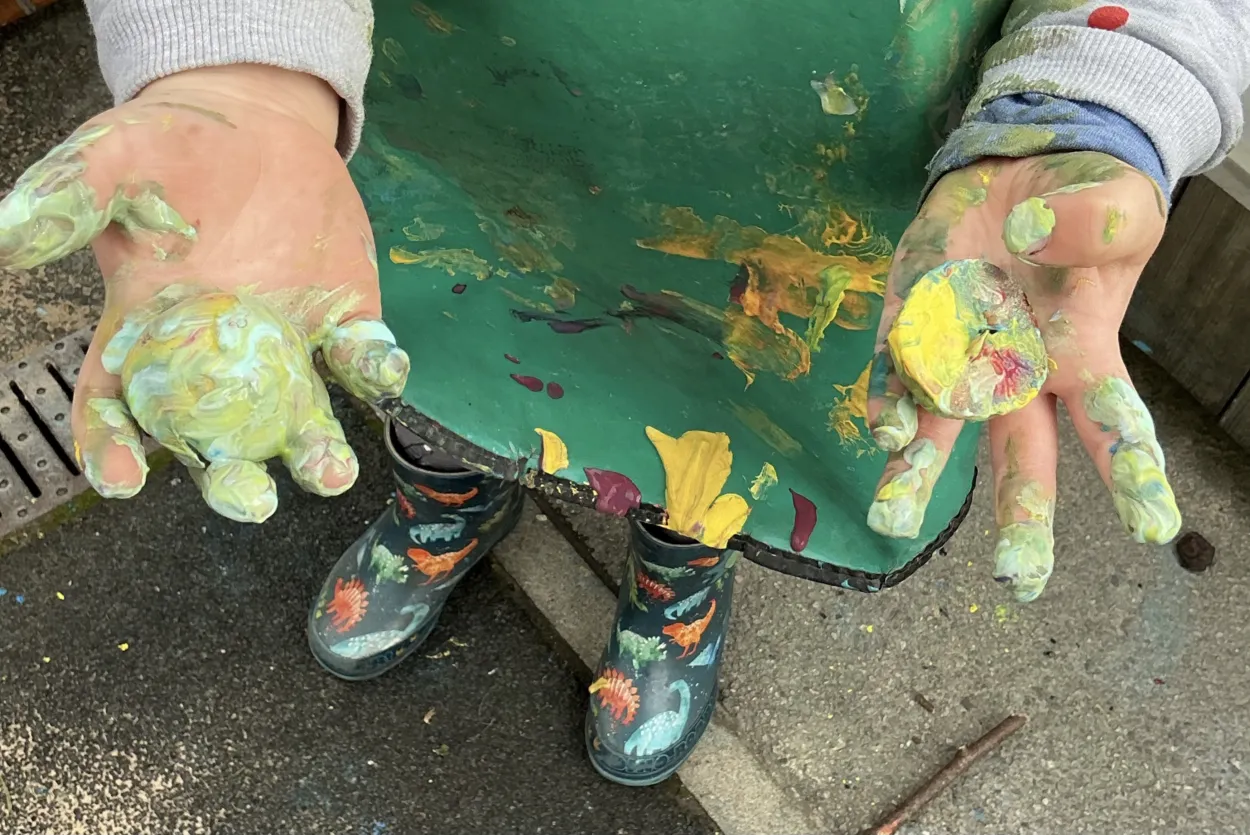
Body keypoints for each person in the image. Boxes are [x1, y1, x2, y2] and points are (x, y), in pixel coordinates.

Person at [2, 0, 1247, 787]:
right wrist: (243, 63)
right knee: (432, 346)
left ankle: (674, 581)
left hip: (818, 176)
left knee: (717, 421)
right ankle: (445, 499)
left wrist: (1099, 95)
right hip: (464, 117)